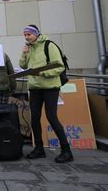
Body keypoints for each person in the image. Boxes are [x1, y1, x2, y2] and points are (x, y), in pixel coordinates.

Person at [19, 24, 74, 163]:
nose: (26, 37)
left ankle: (66, 151)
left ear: (36, 34)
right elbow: (23, 66)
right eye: (25, 34)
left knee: (51, 117)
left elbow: (59, 66)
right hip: (35, 88)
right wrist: (24, 53)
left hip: (50, 87)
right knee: (35, 118)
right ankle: (39, 148)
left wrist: (42, 72)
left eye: (29, 34)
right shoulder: (30, 48)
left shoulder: (49, 45)